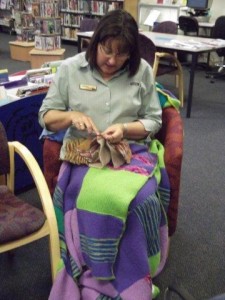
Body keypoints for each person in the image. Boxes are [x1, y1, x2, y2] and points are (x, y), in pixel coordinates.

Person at [39, 9, 170, 300]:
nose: (111, 60)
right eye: (106, 50)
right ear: (95, 42)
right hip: (83, 155)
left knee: (142, 199)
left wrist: (125, 128)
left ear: (131, 54)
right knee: (88, 197)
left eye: (121, 54)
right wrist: (72, 116)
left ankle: (134, 274)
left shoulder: (142, 72)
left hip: (130, 153)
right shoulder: (70, 69)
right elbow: (46, 117)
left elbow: (154, 120)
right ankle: (93, 268)